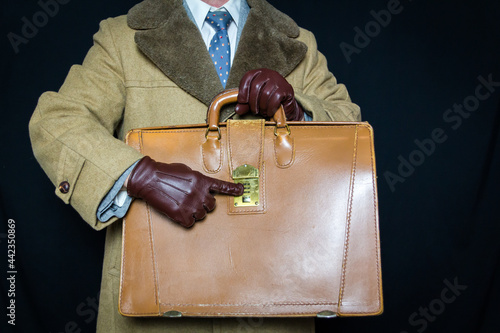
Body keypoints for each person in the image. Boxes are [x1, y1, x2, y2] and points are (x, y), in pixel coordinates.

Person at [29, 0, 361, 331]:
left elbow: (351, 133)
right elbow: (56, 122)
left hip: (270, 301)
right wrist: (138, 175)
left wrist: (300, 114)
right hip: (156, 297)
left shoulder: (297, 42)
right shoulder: (121, 38)